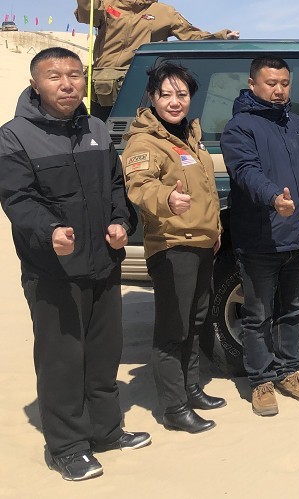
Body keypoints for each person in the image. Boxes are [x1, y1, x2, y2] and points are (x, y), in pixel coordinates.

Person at [0, 48, 149, 481]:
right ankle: (66, 446)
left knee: (104, 354)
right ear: (35, 84)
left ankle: (106, 430)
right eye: (54, 76)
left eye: (74, 75)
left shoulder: (97, 129)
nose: (66, 84)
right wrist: (50, 231)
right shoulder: (15, 136)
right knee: (62, 360)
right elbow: (18, 198)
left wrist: (122, 222)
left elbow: (117, 187)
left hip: (103, 264)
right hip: (53, 270)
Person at [121, 63, 225, 434]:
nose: (174, 101)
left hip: (200, 243)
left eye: (182, 94)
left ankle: (191, 387)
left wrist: (215, 230)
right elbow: (139, 186)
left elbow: (206, 192)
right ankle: (174, 407)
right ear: (152, 97)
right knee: (172, 329)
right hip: (171, 246)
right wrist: (166, 198)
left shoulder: (190, 136)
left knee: (195, 323)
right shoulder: (145, 141)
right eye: (165, 94)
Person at [221, 56, 299, 416]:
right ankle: (260, 381)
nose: (279, 90)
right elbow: (246, 171)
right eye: (271, 83)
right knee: (258, 314)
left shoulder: (298, 124)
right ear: (252, 84)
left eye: (284, 83)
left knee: (293, 310)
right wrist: (273, 197)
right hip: (261, 238)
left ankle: (288, 371)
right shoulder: (239, 127)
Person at [74, 0, 239, 120]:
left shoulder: (164, 12)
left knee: (139, 133)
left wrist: (222, 37)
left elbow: (191, 34)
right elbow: (86, 14)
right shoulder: (106, 2)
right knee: (100, 133)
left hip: (139, 90)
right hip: (102, 91)